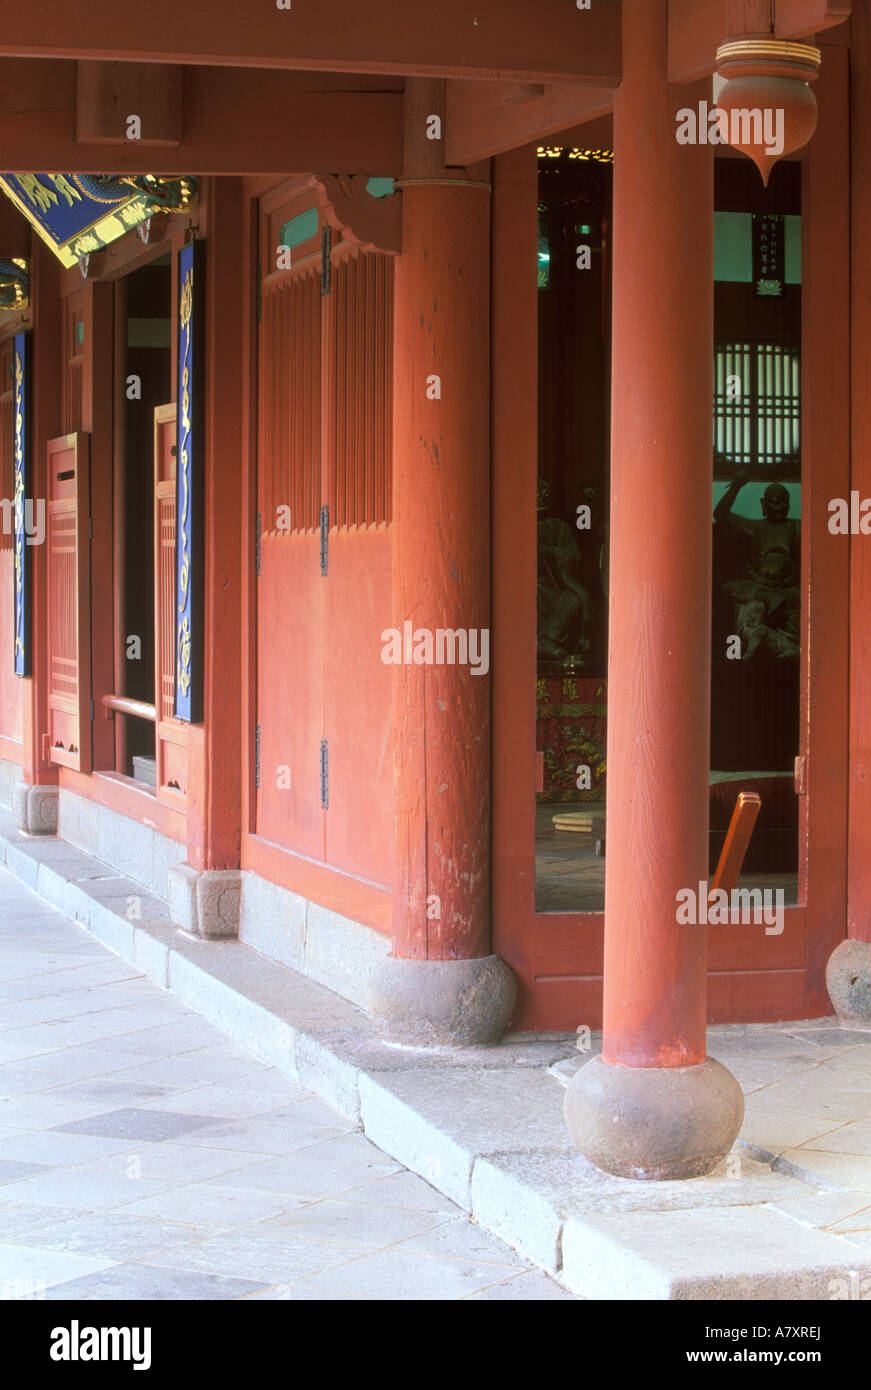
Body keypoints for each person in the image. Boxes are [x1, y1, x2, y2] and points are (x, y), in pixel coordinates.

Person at [714, 472, 800, 659]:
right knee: (728, 587)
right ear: (764, 504)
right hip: (759, 586)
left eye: (785, 501)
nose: (782, 506)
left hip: (788, 589)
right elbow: (720, 514)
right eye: (776, 502)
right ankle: (766, 598)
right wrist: (736, 487)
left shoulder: (796, 527)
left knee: (805, 595)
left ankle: (782, 639)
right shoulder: (755, 528)